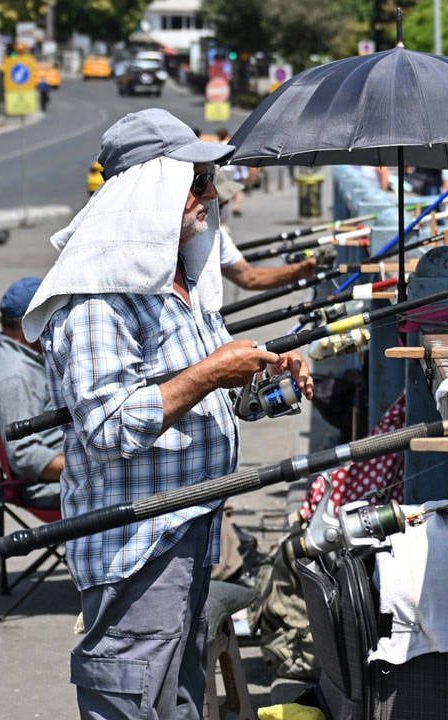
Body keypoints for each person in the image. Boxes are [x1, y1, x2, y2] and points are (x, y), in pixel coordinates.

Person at [21, 108, 313, 720]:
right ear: (150, 191)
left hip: (190, 525)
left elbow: (214, 395)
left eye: (210, 180)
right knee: (131, 697)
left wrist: (267, 376)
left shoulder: (181, 279)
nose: (212, 195)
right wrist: (212, 372)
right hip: (139, 543)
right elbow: (109, 426)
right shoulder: (97, 297)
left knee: (178, 698)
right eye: (197, 182)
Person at [0, 277, 62, 508]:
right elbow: (25, 455)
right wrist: (87, 467)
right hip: (52, 485)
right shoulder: (15, 376)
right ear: (29, 327)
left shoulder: (19, 357)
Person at [214, 176, 318, 290]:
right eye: (219, 200)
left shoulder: (217, 235)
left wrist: (297, 271)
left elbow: (249, 277)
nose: (227, 202)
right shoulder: (213, 232)